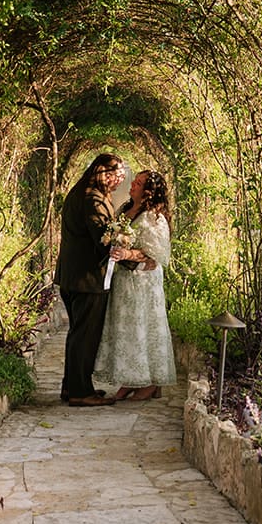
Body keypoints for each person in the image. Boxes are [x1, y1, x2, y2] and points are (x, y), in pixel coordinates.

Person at [95, 169, 176, 402]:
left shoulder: (154, 217)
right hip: (123, 279)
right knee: (125, 328)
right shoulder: (125, 210)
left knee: (142, 327)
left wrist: (128, 253)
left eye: (138, 183)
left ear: (149, 191)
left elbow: (156, 255)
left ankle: (149, 382)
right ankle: (130, 379)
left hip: (143, 282)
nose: (132, 185)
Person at [55, 153, 125, 406]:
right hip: (87, 279)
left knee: (77, 334)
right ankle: (80, 392)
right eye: (117, 176)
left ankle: (72, 386)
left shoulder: (80, 192)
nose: (118, 182)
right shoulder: (92, 200)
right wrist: (124, 244)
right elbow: (103, 239)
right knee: (85, 336)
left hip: (73, 277)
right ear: (104, 173)